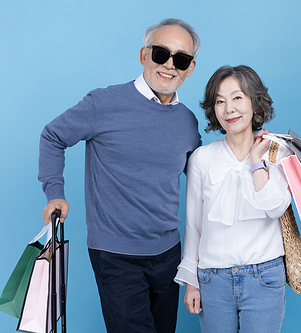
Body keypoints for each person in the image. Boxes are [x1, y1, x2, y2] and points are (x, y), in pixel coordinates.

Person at [38, 18, 201, 333]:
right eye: (161, 54)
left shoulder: (187, 123)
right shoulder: (104, 104)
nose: (169, 65)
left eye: (180, 59)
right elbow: (52, 136)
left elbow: (203, 178)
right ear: (144, 55)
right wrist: (54, 192)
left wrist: (253, 157)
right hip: (116, 254)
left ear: (190, 68)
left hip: (169, 255)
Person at [174, 65, 292, 333]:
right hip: (212, 279)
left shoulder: (277, 151)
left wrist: (255, 162)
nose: (229, 109)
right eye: (220, 101)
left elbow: (275, 208)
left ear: (254, 101)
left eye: (237, 98)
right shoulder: (201, 158)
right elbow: (193, 225)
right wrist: (192, 281)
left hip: (265, 277)